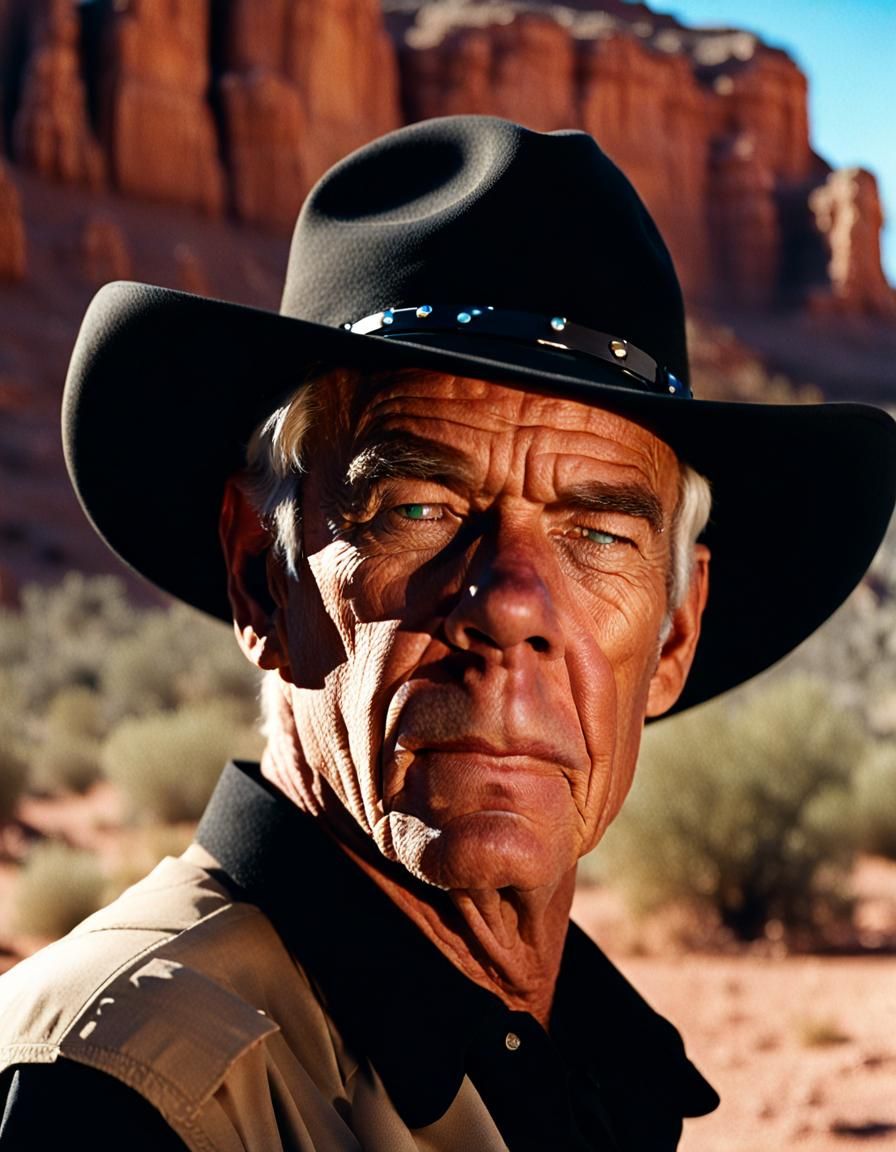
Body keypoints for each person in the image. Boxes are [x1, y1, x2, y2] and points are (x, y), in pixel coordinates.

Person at [0, 116, 893, 1152]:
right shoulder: (122, 1094)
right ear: (260, 579)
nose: (509, 604)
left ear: (674, 631)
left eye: (596, 533)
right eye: (416, 508)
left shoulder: (578, 1051)